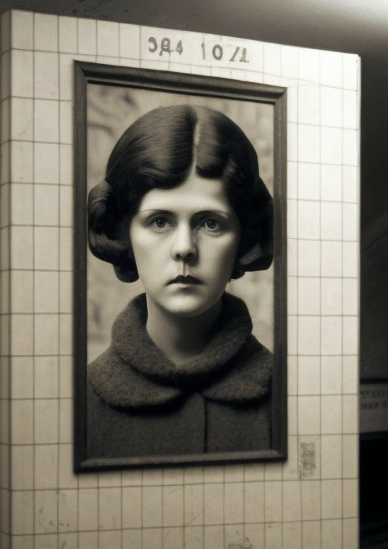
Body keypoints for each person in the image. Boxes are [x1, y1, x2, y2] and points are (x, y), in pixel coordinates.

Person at [85, 104, 275, 461]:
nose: (185, 248)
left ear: (244, 236)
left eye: (211, 223)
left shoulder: (288, 396)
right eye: (160, 222)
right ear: (123, 231)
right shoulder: (78, 404)